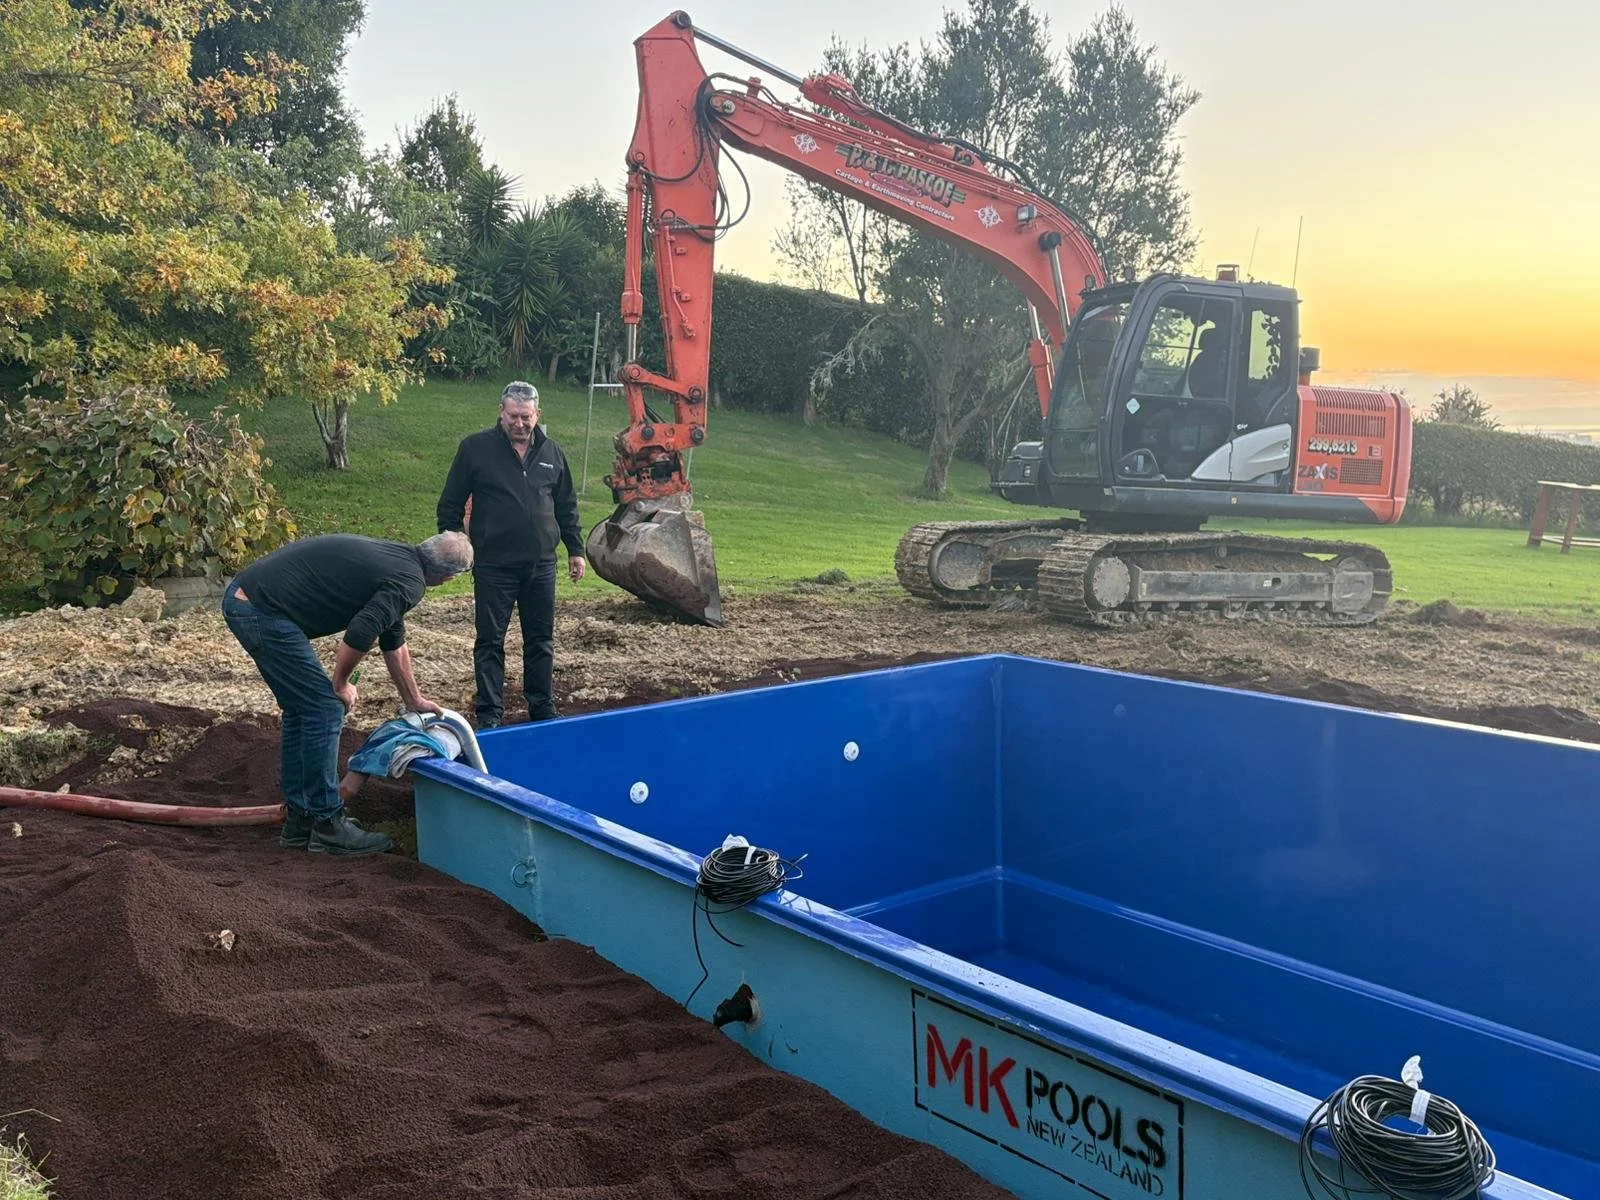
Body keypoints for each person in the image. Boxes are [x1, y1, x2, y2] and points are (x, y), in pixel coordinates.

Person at [222, 530, 474, 855]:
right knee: (325, 707)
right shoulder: (409, 580)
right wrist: (340, 684)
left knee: (305, 709)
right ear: (449, 576)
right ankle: (328, 824)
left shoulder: (400, 560)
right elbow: (363, 631)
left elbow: (392, 637)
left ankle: (301, 821)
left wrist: (413, 700)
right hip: (261, 610)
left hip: (254, 601)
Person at [436, 380, 586, 730]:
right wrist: (458, 543)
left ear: (538, 414)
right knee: (490, 640)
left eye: (526, 417)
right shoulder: (475, 449)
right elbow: (450, 504)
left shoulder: (552, 453)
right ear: (501, 412)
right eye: (513, 416)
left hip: (541, 566)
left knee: (541, 640)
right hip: (493, 567)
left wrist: (575, 550)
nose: (519, 423)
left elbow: (566, 506)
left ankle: (542, 707)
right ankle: (489, 712)